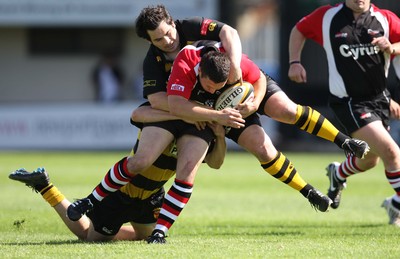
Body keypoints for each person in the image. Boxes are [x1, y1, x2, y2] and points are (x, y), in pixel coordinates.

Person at [67, 4, 368, 239]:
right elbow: (162, 103)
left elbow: (239, 46)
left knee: (286, 111)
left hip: (240, 85)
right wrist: (214, 119)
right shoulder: (167, 61)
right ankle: (309, 191)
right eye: (158, 39)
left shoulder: (198, 34)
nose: (166, 40)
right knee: (263, 150)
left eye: (168, 32)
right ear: (149, 40)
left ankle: (344, 141)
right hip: (211, 110)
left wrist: (241, 83)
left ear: (173, 23)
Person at [147, 42, 335, 244]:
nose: (212, 91)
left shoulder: (234, 63)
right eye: (209, 86)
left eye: (218, 87)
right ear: (200, 71)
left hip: (231, 112)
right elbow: (174, 105)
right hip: (200, 117)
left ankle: (308, 190)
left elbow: (259, 78)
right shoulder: (187, 61)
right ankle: (159, 232)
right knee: (185, 168)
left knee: (265, 149)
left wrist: (253, 105)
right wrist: (217, 117)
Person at [8, 104, 227, 242]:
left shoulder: (199, 130)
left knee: (146, 236)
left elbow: (216, 163)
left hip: (152, 194)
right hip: (121, 191)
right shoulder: (163, 114)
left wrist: (220, 135)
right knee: (90, 236)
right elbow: (138, 113)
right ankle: (45, 186)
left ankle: (114, 228)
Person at [288, 0, 400, 226]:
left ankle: (338, 173)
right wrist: (294, 62)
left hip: (380, 99)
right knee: (392, 152)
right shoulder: (327, 17)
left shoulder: (385, 19)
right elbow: (298, 30)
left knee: (370, 160)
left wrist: (392, 48)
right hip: (348, 102)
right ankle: (397, 204)